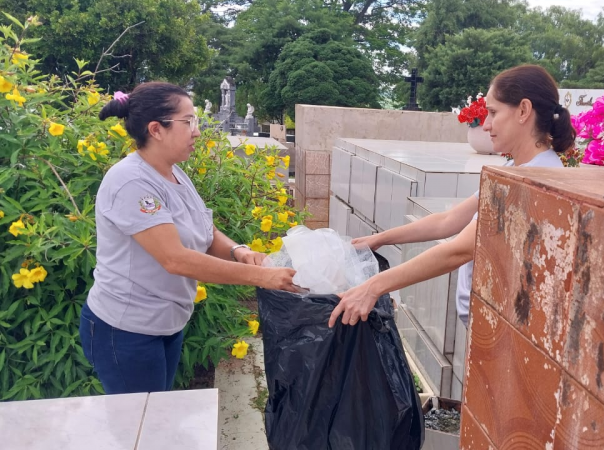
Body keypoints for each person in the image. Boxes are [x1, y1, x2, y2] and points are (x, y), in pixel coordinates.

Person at [80, 82, 297, 395]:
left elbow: (205, 232)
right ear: (156, 129)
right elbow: (175, 258)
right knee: (141, 427)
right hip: (125, 330)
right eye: (189, 122)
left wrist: (239, 251)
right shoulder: (130, 182)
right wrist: (262, 276)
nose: (197, 131)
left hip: (165, 324)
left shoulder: (173, 173)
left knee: (155, 415)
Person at [329, 64, 575, 328]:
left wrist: (373, 287)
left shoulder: (533, 180)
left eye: (493, 112)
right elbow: (450, 220)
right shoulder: (515, 170)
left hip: (506, 330)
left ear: (524, 111)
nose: (486, 125)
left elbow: (459, 250)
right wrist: (380, 239)